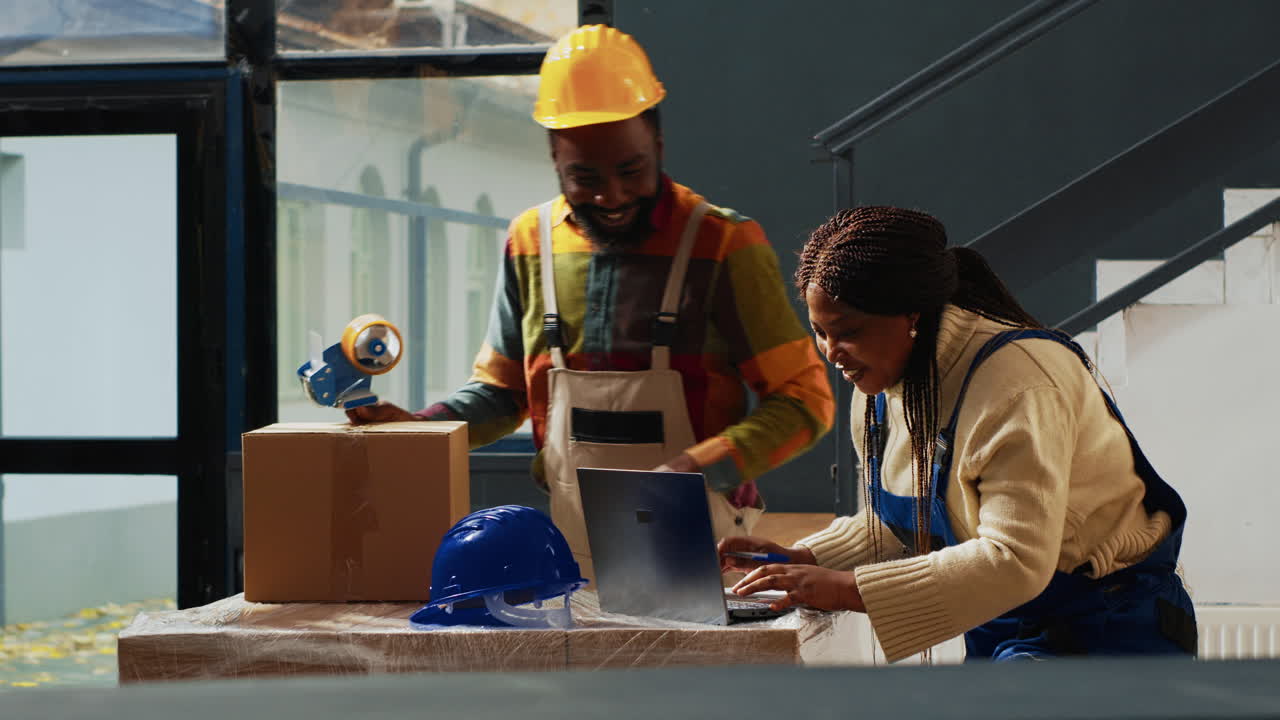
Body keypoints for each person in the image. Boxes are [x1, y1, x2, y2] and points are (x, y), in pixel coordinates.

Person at [348, 25, 833, 581]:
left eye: (631, 171)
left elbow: (805, 402)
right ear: (555, 159)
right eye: (585, 177)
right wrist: (417, 429)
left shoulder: (722, 244)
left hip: (699, 543)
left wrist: (693, 469)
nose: (612, 196)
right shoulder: (529, 242)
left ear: (658, 145)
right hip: (566, 550)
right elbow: (502, 394)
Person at [720, 206, 1197, 662]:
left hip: (1106, 630)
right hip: (1006, 624)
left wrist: (844, 589)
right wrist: (805, 556)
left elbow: (1014, 561)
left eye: (848, 331)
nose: (832, 353)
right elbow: (902, 528)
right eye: (819, 332)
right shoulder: (878, 386)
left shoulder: (1019, 381)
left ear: (911, 315)